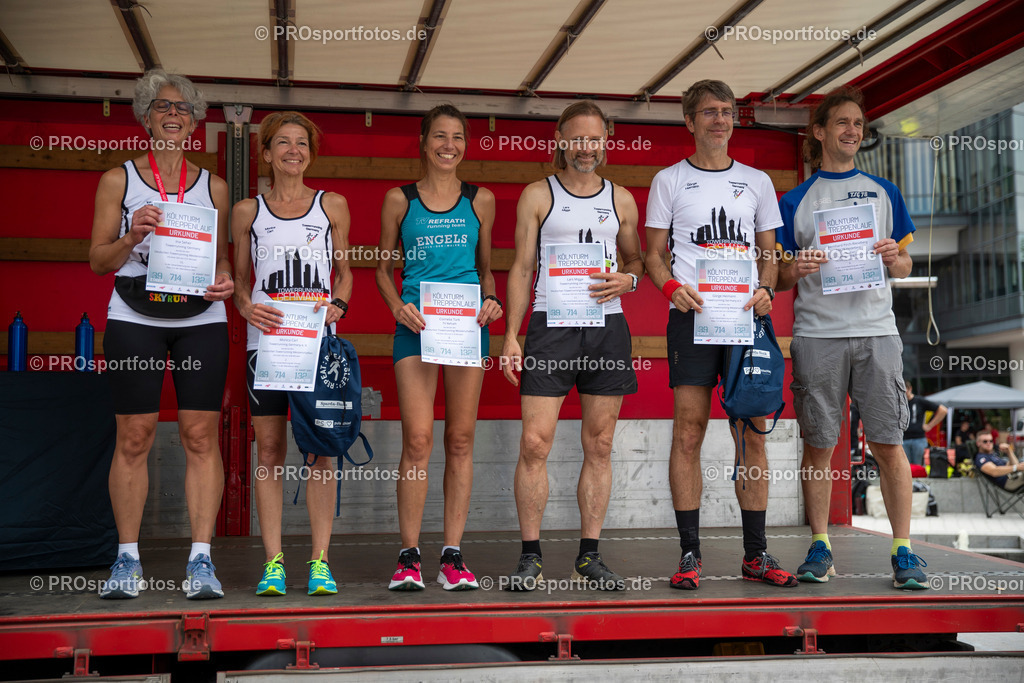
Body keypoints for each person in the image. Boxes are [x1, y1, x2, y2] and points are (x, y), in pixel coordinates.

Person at [643, 79, 796, 591]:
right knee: (688, 433)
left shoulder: (756, 181)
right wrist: (668, 287)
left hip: (745, 319)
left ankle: (756, 554)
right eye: (708, 112)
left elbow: (770, 255)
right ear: (689, 122)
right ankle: (690, 555)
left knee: (751, 432)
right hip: (692, 317)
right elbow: (652, 254)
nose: (719, 120)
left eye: (727, 112)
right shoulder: (669, 180)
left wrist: (768, 290)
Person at [776, 86, 929, 589]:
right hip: (817, 335)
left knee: (889, 443)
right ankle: (820, 547)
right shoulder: (795, 199)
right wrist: (794, 267)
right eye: (841, 122)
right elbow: (776, 277)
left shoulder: (885, 191)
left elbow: (905, 264)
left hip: (877, 333)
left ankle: (904, 552)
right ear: (819, 132)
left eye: (859, 124)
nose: (851, 131)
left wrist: (893, 258)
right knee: (820, 444)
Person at [90, 70, 234, 599]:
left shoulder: (213, 186)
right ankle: (127, 559)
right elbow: (96, 261)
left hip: (199, 319)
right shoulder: (118, 180)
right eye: (162, 107)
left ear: (195, 123)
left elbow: (222, 259)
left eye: (182, 109)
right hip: (135, 316)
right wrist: (133, 233)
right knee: (134, 437)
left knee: (200, 437)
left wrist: (226, 278)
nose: (173, 115)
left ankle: (201, 560)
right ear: (146, 116)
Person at [501, 100, 643, 591]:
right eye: (577, 138)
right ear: (561, 139)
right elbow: (520, 267)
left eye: (595, 139)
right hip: (551, 326)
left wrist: (629, 279)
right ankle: (530, 555)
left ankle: (589, 554)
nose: (586, 148)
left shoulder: (622, 198)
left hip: (607, 328)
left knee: (600, 444)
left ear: (606, 141)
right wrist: (511, 336)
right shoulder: (537, 194)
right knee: (534, 443)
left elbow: (637, 261)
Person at [376, 104, 502, 591]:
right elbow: (383, 269)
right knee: (418, 440)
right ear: (424, 142)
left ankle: (452, 556)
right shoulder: (398, 200)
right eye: (440, 137)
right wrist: (396, 307)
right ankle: (408, 557)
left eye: (458, 138)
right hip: (417, 324)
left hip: (467, 326)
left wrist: (490, 298)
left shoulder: (481, 200)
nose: (449, 146)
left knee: (461, 440)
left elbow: (487, 268)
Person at [232, 111, 353, 596]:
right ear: (265, 153)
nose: (293, 150)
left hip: (316, 346)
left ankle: (320, 561)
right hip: (267, 349)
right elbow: (241, 279)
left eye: (301, 143)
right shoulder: (247, 212)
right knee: (270, 451)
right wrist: (245, 307)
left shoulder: (332, 206)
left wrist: (337, 305)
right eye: (282, 143)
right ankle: (273, 562)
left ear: (310, 153)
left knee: (321, 452)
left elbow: (345, 272)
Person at [902, 381, 947, 466]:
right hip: (903, 439)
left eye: (905, 391)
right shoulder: (899, 403)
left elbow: (943, 410)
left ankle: (918, 480)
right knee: (905, 467)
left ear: (910, 389)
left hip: (918, 438)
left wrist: (929, 425)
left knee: (918, 467)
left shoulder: (919, 401)